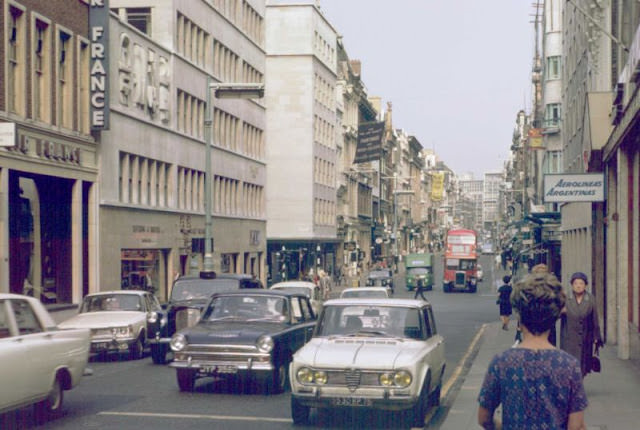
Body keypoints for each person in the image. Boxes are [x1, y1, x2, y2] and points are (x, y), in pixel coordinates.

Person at [477, 272, 588, 430]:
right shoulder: (569, 365)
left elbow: (483, 419)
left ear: (520, 319)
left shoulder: (501, 362)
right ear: (554, 318)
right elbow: (576, 426)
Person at [560, 271, 604, 378]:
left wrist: (596, 337)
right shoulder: (565, 299)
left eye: (581, 283)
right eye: (576, 283)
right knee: (569, 364)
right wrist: (561, 311)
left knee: (583, 365)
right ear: (572, 285)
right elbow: (554, 314)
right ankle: (571, 386)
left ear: (585, 285)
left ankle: (579, 384)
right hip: (569, 337)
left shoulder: (590, 299)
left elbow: (595, 319)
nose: (578, 286)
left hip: (585, 337)